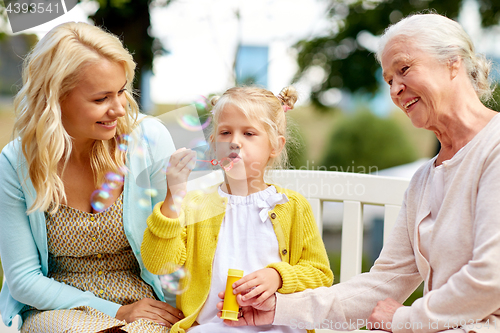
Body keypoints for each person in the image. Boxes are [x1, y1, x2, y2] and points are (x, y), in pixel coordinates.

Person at [215, 13, 500, 333]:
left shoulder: (495, 146)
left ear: (453, 62)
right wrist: (279, 308)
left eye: (404, 69)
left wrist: (405, 319)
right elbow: (382, 286)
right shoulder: (424, 180)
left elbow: (492, 277)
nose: (396, 89)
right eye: (389, 80)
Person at [0, 22, 184, 333]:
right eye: (101, 99)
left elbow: (183, 243)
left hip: (146, 304)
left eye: (122, 91)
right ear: (55, 100)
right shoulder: (16, 162)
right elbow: (23, 280)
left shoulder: (150, 140)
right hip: (56, 308)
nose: (119, 108)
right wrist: (116, 312)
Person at [141, 86, 334, 333]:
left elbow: (320, 274)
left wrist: (278, 277)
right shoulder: (194, 205)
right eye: (225, 132)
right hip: (211, 327)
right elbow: (160, 264)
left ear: (275, 145)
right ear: (213, 143)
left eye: (249, 133)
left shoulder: (292, 206)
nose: (234, 142)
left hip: (279, 328)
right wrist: (173, 197)